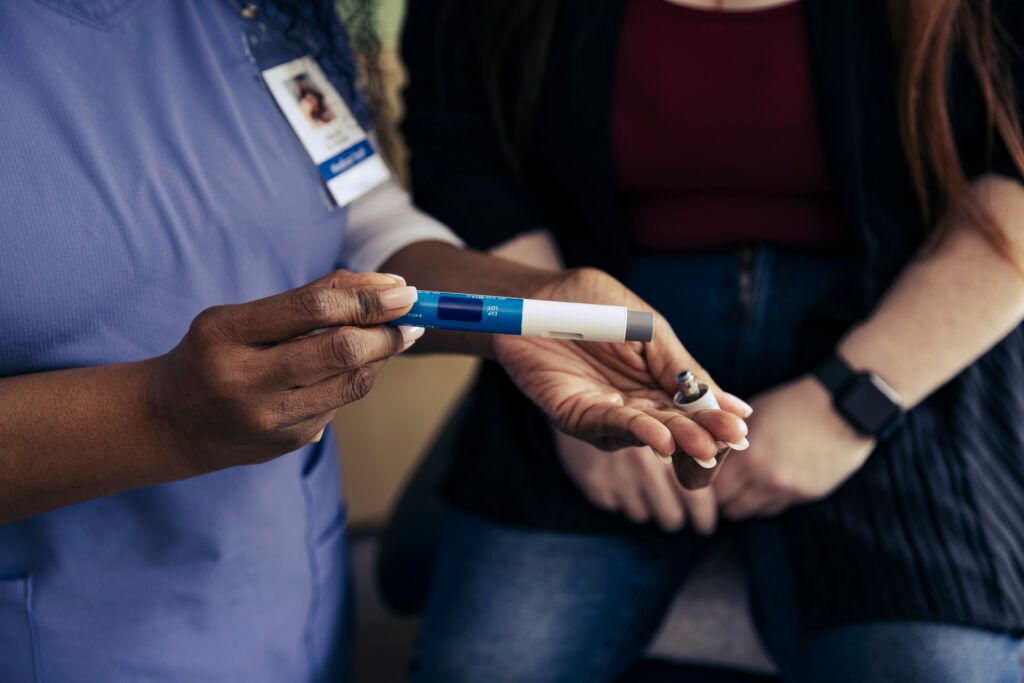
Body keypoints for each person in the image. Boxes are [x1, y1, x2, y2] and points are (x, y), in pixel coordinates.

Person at [0, 2, 748, 681]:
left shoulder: (248, 11)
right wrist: (162, 415)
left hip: (290, 604)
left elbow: (356, 206)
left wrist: (531, 301)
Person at [400, 0, 1024, 680]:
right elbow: (460, 148)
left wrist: (857, 401)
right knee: (483, 665)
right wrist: (564, 360)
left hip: (908, 331)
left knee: (938, 666)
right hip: (596, 315)